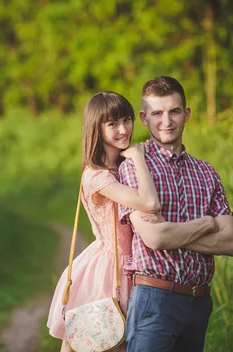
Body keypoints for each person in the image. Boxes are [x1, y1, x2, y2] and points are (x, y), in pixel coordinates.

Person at [46, 91, 218, 352]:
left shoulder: (123, 167)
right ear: (97, 127)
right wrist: (138, 158)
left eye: (126, 120)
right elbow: (150, 203)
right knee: (103, 341)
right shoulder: (97, 176)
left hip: (138, 266)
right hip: (109, 268)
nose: (123, 129)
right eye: (112, 124)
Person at [118, 76, 233, 352]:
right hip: (155, 298)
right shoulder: (134, 167)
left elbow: (230, 242)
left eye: (174, 111)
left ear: (186, 114)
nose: (166, 121)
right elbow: (154, 239)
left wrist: (171, 233)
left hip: (199, 302)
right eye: (157, 113)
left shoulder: (207, 172)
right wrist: (207, 223)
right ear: (143, 118)